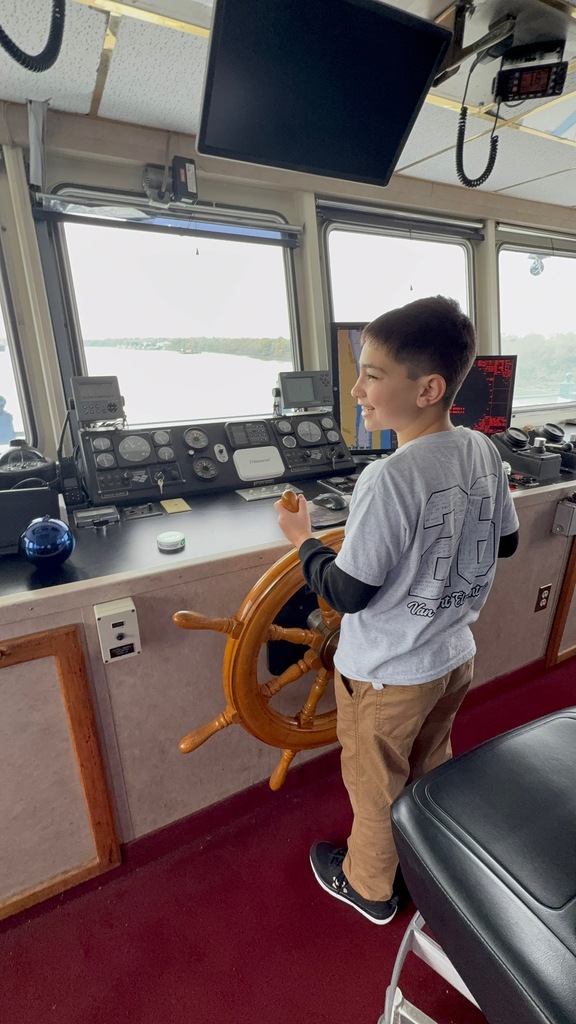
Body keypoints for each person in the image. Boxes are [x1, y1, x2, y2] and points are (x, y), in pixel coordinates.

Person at [275, 296, 519, 926]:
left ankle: (371, 889)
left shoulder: (389, 477)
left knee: (374, 787)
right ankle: (427, 858)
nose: (357, 390)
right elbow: (507, 541)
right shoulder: (482, 450)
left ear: (429, 388)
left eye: (373, 375)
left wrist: (301, 538)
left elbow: (347, 594)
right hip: (452, 658)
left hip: (386, 674)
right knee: (429, 764)